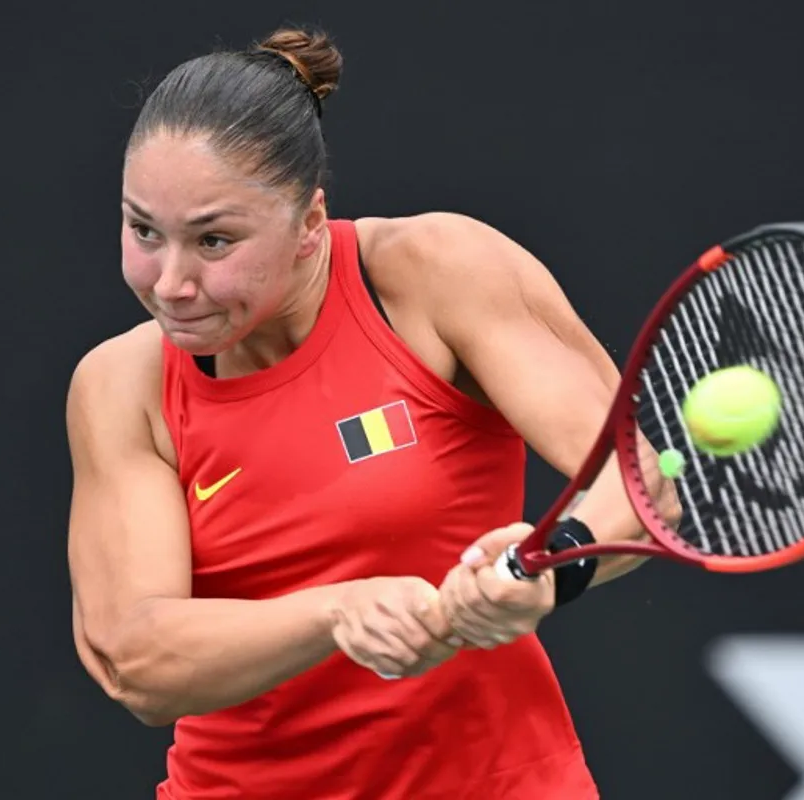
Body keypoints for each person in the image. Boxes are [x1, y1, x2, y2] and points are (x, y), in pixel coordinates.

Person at [66, 26, 681, 800]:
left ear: (310, 224)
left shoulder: (436, 275)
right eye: (143, 231)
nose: (171, 283)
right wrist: (341, 611)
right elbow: (137, 661)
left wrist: (555, 566)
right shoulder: (119, 386)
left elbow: (640, 483)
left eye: (215, 240)